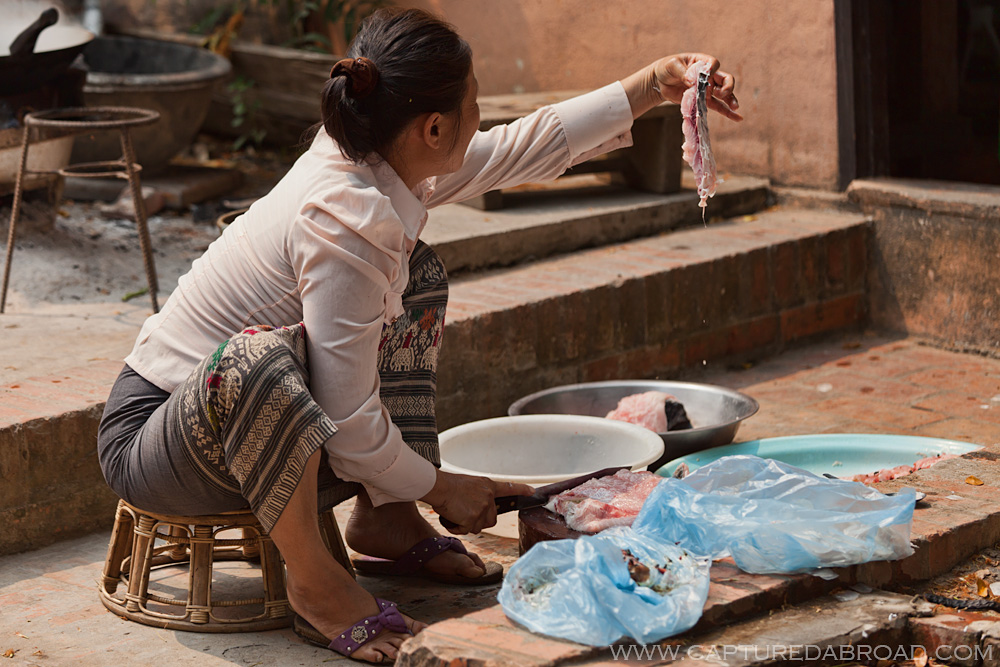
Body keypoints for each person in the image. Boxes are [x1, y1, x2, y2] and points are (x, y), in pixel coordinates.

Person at [97, 7, 741, 664]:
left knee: (418, 274)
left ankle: (387, 516)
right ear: (433, 127)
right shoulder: (345, 218)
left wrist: (653, 84)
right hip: (161, 441)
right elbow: (349, 424)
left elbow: (522, 144)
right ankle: (315, 582)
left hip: (259, 430)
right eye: (474, 106)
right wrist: (441, 484)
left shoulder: (383, 159)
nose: (480, 120)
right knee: (255, 359)